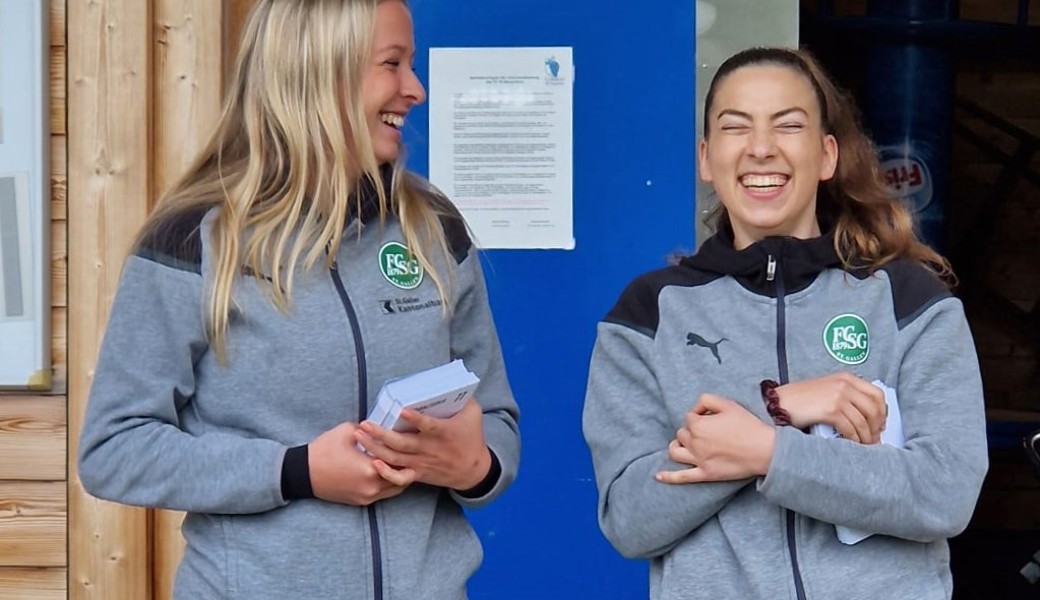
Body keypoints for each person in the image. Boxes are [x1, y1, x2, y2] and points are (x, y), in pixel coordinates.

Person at [77, 1, 520, 598]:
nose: (414, 89)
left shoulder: (433, 226)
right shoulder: (196, 240)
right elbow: (114, 447)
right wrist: (295, 472)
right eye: (393, 64)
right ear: (320, 74)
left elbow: (495, 416)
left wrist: (475, 467)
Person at [582, 46, 987, 600]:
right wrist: (778, 411)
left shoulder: (908, 300)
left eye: (788, 125)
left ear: (826, 156)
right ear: (706, 157)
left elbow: (946, 492)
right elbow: (629, 520)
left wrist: (771, 452)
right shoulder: (647, 315)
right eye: (736, 127)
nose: (761, 148)